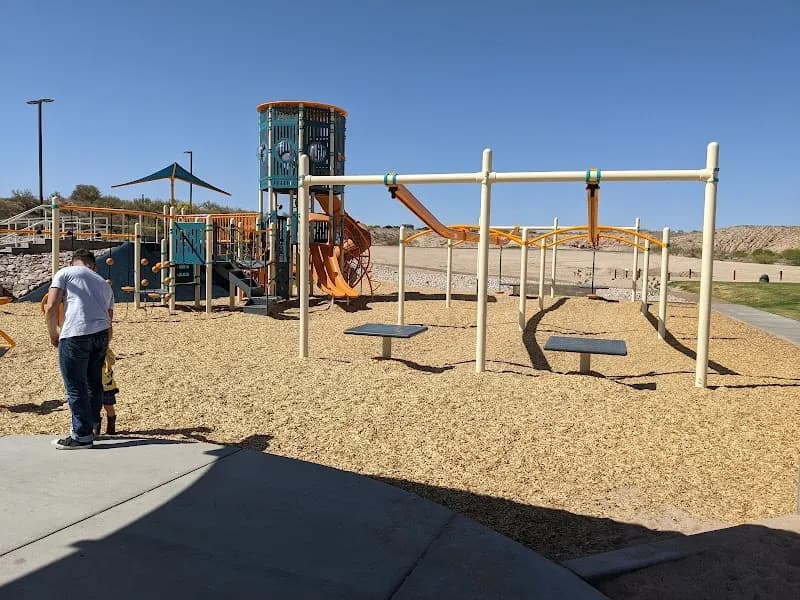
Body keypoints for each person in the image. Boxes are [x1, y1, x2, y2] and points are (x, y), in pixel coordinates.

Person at [45, 248, 114, 449]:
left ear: (72, 262)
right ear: (94, 265)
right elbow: (110, 319)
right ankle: (92, 427)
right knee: (94, 383)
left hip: (76, 333)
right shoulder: (104, 284)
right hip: (101, 334)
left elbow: (51, 307)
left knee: (75, 384)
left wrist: (53, 334)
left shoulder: (64, 273)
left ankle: (81, 435)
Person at [100, 348, 119, 435]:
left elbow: (112, 361)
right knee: (94, 409)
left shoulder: (106, 352)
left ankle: (111, 428)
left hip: (107, 387)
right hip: (96, 387)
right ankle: (95, 429)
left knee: (109, 407)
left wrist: (105, 352)